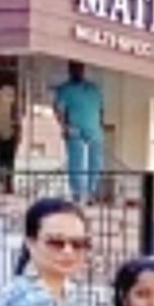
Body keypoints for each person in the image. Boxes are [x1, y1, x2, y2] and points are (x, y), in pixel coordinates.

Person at [53, 61, 105, 203]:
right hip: (75, 129)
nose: (77, 72)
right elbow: (58, 110)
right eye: (74, 69)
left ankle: (92, 193)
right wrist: (65, 127)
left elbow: (101, 110)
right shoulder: (65, 89)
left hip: (94, 129)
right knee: (76, 161)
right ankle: (77, 192)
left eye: (80, 69)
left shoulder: (94, 89)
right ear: (70, 70)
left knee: (96, 162)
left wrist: (100, 126)